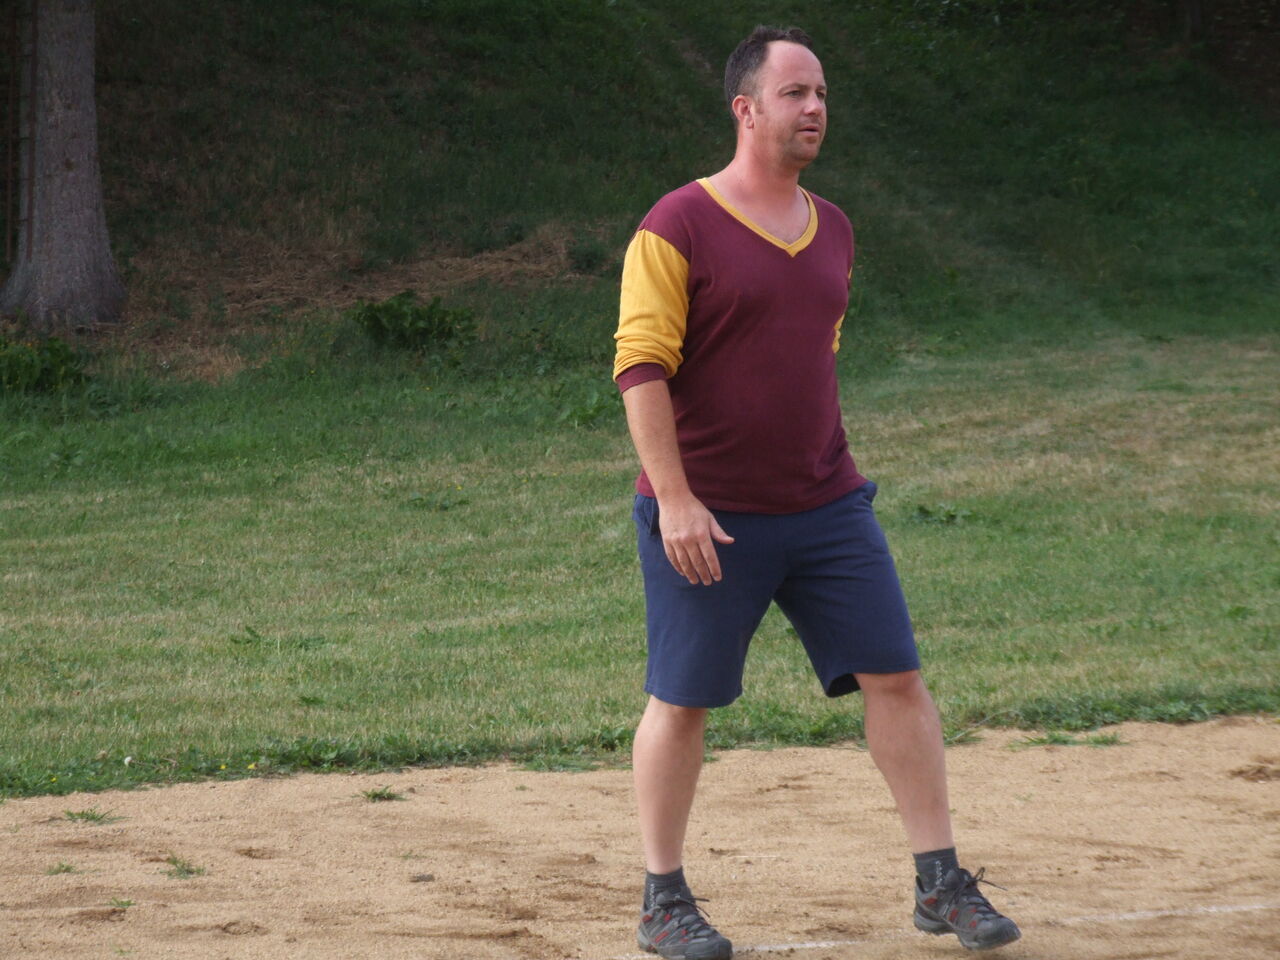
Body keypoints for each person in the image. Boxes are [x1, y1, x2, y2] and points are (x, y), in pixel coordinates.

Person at [611, 25, 1021, 960]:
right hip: (709, 511)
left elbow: (811, 356)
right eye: (795, 93)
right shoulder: (677, 224)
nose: (815, 108)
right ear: (745, 109)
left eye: (823, 93)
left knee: (897, 678)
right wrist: (675, 498)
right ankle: (662, 899)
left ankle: (939, 881)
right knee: (682, 700)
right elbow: (640, 367)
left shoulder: (833, 226)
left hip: (826, 503)